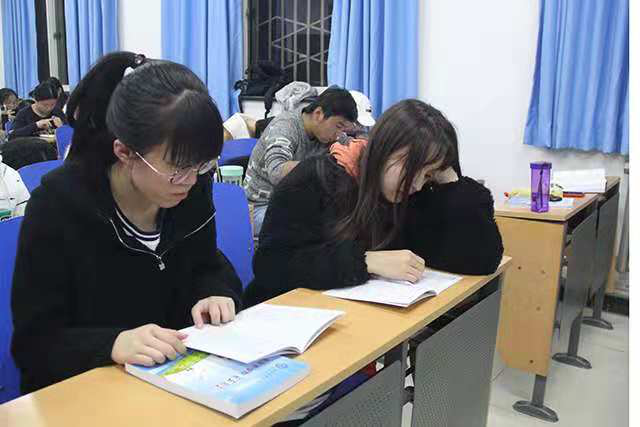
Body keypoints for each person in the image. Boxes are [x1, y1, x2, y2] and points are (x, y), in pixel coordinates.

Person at [11, 52, 242, 394]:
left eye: (203, 165)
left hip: (177, 380)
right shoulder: (58, 208)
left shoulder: (190, 188)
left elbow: (206, 265)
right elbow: (35, 344)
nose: (191, 180)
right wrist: (112, 344)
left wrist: (215, 292)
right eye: (178, 167)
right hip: (88, 393)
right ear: (124, 152)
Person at [243, 99, 503, 307]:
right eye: (412, 169)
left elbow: (481, 259)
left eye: (428, 175)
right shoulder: (315, 179)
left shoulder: (408, 195)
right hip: (284, 322)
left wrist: (450, 178)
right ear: (383, 149)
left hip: (352, 324)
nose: (417, 184)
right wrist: (365, 261)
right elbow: (272, 265)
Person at [244, 87, 358, 235]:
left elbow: (353, 148)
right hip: (260, 208)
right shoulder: (285, 126)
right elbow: (276, 171)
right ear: (318, 114)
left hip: (294, 205)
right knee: (318, 227)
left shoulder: (329, 134)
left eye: (344, 130)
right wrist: (324, 166)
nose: (339, 135)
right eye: (339, 126)